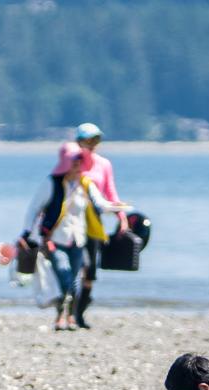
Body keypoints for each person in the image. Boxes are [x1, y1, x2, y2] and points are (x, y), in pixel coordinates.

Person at [21, 141, 127, 331]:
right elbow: (33, 210)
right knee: (64, 273)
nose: (78, 166)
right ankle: (61, 315)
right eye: (75, 162)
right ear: (66, 163)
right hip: (56, 239)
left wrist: (117, 208)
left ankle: (68, 316)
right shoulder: (51, 184)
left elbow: (100, 204)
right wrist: (27, 233)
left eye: (80, 162)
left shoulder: (85, 184)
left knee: (76, 280)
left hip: (78, 240)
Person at [74, 122, 128, 329]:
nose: (92, 144)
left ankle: (80, 312)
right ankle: (68, 311)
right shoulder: (73, 163)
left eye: (96, 140)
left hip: (94, 224)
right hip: (72, 223)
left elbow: (110, 192)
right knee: (73, 267)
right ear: (79, 142)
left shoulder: (103, 164)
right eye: (88, 140)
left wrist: (121, 216)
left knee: (90, 271)